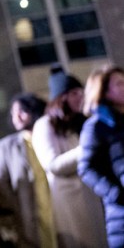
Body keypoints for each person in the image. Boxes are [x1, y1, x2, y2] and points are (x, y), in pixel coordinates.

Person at [32, 68, 108, 248]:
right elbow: (52, 165)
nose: (80, 96)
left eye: (82, 92)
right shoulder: (44, 125)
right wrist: (87, 149)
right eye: (74, 93)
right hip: (70, 201)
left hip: (92, 195)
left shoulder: (80, 123)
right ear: (61, 97)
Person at [0, 92, 54, 248]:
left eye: (22, 111)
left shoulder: (50, 137)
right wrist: (16, 203)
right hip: (29, 211)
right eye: (13, 113)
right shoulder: (7, 146)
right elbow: (0, 179)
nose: (16, 117)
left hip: (56, 207)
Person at [78, 64, 124, 248]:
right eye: (119, 84)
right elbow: (86, 168)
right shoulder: (96, 125)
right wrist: (116, 194)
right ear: (104, 92)